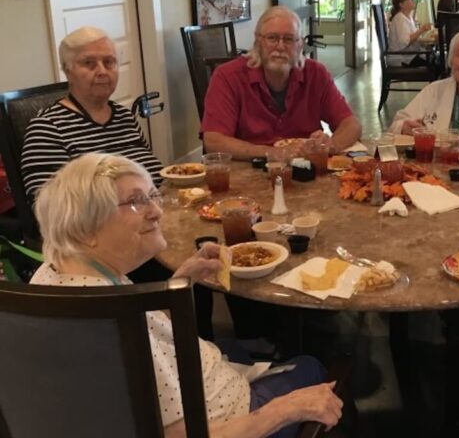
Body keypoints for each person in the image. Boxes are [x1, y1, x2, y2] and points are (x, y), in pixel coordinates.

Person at [30, 153, 343, 438]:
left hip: (198, 384)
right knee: (311, 365)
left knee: (234, 346)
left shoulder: (62, 275)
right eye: (135, 201)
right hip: (229, 423)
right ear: (84, 228)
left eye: (153, 196)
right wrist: (286, 409)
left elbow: (148, 334)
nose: (155, 212)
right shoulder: (112, 325)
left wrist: (183, 279)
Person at [21, 26, 163, 201]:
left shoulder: (124, 117)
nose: (102, 71)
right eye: (89, 63)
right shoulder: (47, 128)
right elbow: (48, 207)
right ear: (68, 71)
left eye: (109, 62)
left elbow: (153, 176)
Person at [201, 6, 362, 160]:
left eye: (289, 39)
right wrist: (271, 152)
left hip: (305, 172)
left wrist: (330, 146)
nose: (280, 46)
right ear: (258, 41)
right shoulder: (227, 76)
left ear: (300, 45)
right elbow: (214, 141)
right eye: (272, 38)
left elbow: (351, 125)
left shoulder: (316, 74)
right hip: (249, 169)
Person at [387, 0, 433, 67]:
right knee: (434, 65)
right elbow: (406, 42)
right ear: (401, 4)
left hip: (408, 56)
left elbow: (414, 38)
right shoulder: (400, 19)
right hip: (401, 58)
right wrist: (421, 30)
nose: (412, 0)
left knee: (434, 58)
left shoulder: (408, 17)